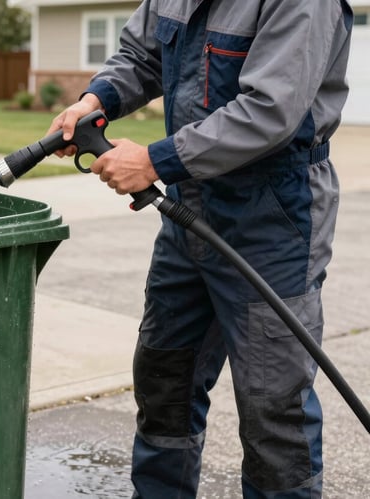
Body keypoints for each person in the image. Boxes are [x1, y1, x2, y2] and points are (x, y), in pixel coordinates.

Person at [48, 1, 354, 497]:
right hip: (192, 204)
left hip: (273, 214)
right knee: (164, 378)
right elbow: (140, 55)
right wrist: (95, 100)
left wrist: (154, 160)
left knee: (273, 405)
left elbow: (268, 110)